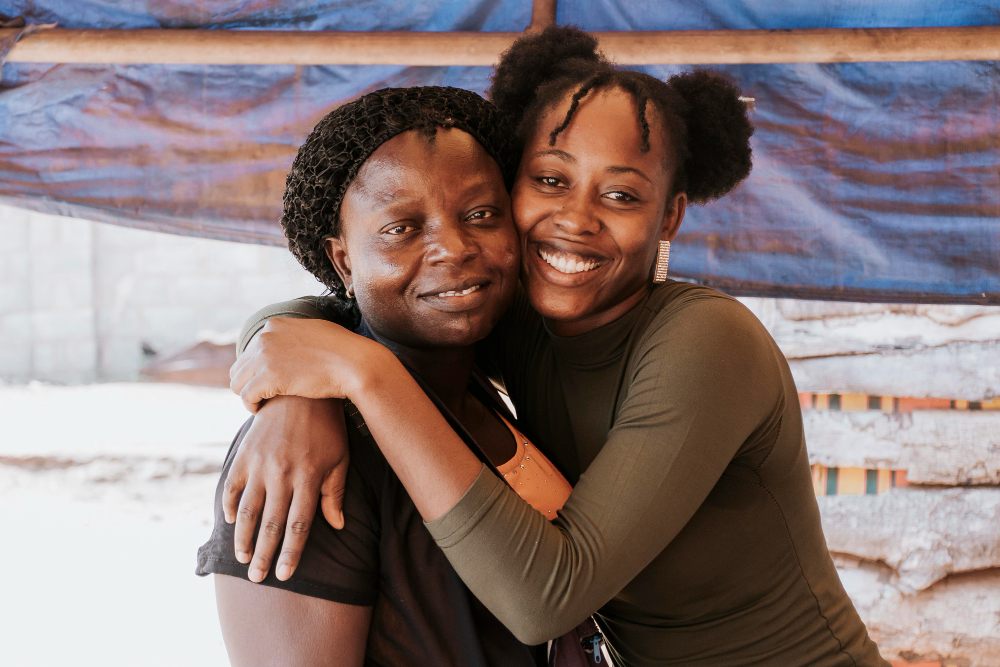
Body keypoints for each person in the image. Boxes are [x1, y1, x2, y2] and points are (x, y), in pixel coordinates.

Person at [227, 27, 888, 666]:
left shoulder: (706, 340)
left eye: (623, 193)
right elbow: (359, 302)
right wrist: (290, 394)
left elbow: (547, 596)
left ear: (670, 216)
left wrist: (360, 371)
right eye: (550, 179)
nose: (576, 218)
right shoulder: (519, 319)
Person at [197, 85, 577, 667]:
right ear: (344, 260)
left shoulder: (473, 382)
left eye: (481, 214)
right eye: (402, 227)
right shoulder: (309, 463)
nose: (453, 247)